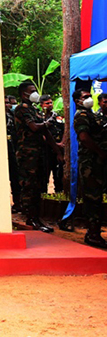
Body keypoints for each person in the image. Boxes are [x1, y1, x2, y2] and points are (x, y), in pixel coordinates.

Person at [13, 81, 62, 232]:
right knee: (29, 186)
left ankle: (37, 218)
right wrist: (48, 122)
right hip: (28, 154)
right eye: (32, 91)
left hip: (39, 152)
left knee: (40, 184)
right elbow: (35, 127)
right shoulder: (22, 109)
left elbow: (45, 132)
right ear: (24, 94)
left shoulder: (34, 110)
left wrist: (57, 150)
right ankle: (31, 218)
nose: (35, 93)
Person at [72, 88, 107, 248]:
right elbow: (84, 138)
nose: (88, 99)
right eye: (85, 97)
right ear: (77, 101)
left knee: (97, 197)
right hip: (90, 163)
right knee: (92, 198)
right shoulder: (82, 115)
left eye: (89, 96)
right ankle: (92, 234)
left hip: (97, 162)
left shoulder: (92, 114)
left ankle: (95, 232)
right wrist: (100, 152)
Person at [38, 95, 64, 194]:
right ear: (41, 105)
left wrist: (61, 143)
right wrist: (55, 145)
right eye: (47, 103)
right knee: (44, 176)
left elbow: (64, 130)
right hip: (45, 151)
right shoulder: (40, 117)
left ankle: (59, 195)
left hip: (58, 150)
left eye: (51, 103)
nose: (50, 105)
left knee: (58, 176)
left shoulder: (57, 116)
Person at [5, 95, 21, 213]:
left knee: (15, 177)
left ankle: (17, 203)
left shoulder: (12, 115)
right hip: (3, 148)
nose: (8, 105)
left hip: (13, 147)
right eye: (5, 103)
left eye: (8, 103)